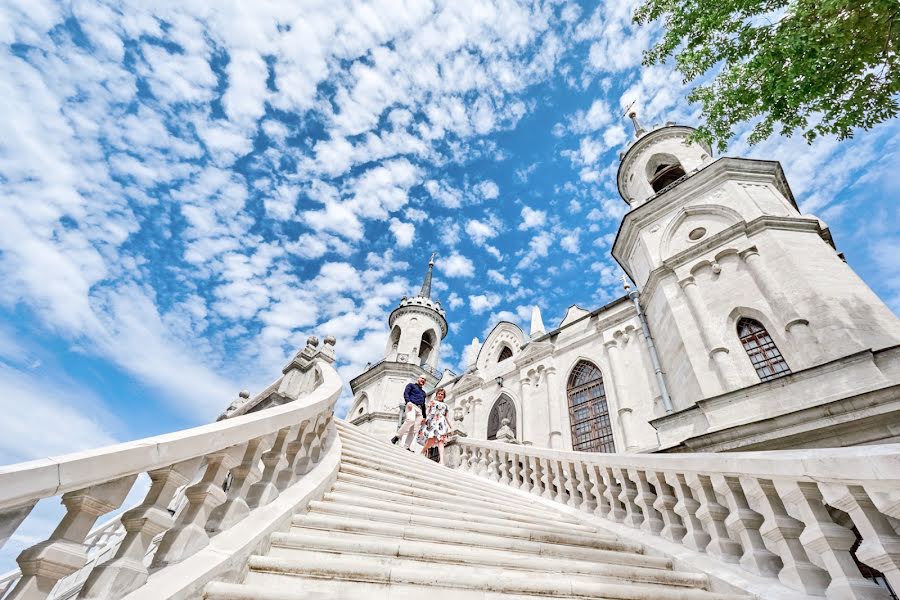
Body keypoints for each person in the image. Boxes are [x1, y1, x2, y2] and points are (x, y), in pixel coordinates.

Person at [390, 376, 427, 450]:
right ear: (418, 378)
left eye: (424, 379)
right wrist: (408, 402)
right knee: (410, 420)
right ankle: (397, 436)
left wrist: (424, 416)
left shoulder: (423, 393)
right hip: (411, 405)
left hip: (419, 410)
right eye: (422, 378)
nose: (423, 380)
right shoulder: (411, 385)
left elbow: (423, 405)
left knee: (414, 429)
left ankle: (407, 446)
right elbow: (406, 393)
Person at [417, 388, 451, 465]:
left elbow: (447, 417)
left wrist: (451, 426)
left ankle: (441, 460)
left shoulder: (446, 405)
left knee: (441, 440)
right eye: (439, 394)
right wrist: (424, 418)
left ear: (444, 396)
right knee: (432, 438)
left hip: (441, 423)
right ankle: (423, 451)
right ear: (436, 394)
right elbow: (427, 411)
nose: (440, 395)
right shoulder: (432, 402)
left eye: (442, 394)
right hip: (432, 421)